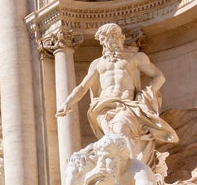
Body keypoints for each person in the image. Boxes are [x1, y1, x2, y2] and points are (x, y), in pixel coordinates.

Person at [57, 22, 177, 167]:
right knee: (112, 140)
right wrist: (67, 103)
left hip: (127, 105)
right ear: (102, 41)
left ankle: (133, 169)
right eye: (107, 38)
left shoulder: (136, 57)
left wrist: (146, 94)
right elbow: (82, 87)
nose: (112, 41)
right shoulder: (97, 64)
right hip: (102, 107)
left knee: (120, 129)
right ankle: (120, 172)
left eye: (114, 37)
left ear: (121, 37)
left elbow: (159, 77)